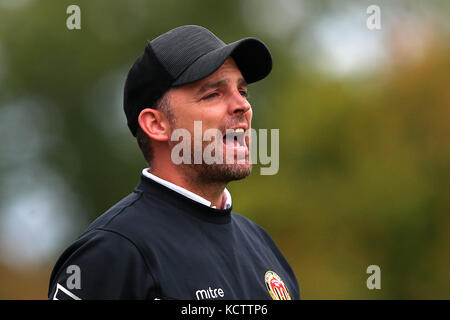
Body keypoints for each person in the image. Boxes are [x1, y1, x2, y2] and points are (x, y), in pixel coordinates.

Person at [48, 25, 300, 300]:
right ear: (156, 124)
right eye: (213, 94)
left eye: (242, 91)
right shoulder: (114, 252)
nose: (242, 105)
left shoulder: (262, 245)